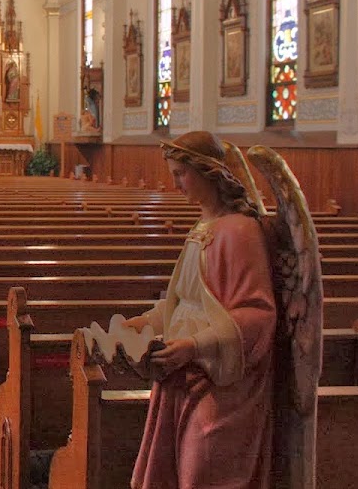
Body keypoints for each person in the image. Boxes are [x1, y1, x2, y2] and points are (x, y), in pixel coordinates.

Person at [122, 131, 275, 489]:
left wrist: (194, 346)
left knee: (202, 473)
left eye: (181, 174)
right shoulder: (204, 227)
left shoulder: (240, 232)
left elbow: (258, 314)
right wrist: (147, 322)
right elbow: (189, 300)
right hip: (182, 375)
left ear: (209, 172)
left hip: (220, 383)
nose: (175, 184)